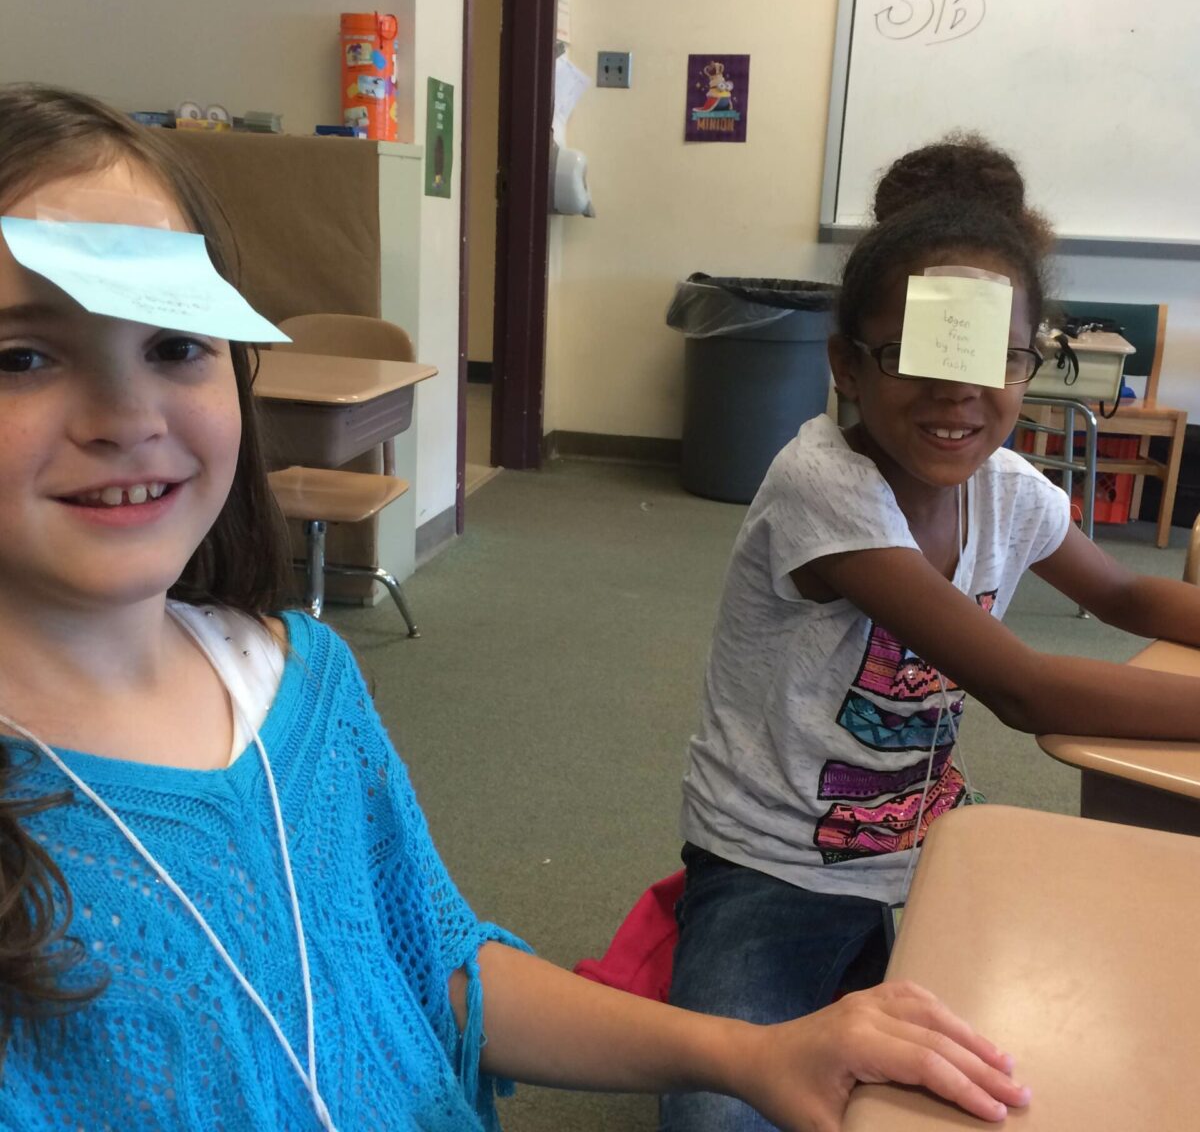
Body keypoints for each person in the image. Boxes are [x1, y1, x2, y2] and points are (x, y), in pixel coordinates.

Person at [0, 85, 1028, 1131]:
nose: (127, 417)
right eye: (22, 358)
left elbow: (437, 962)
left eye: (176, 344)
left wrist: (753, 1054)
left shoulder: (301, 682)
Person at [667, 134, 1200, 1131]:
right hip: (770, 866)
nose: (959, 395)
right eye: (917, 356)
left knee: (1064, 1055)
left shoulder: (1007, 489)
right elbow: (1026, 690)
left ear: (1027, 364)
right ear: (846, 365)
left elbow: (1129, 596)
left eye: (994, 359)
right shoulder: (822, 487)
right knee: (720, 1117)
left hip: (919, 846)